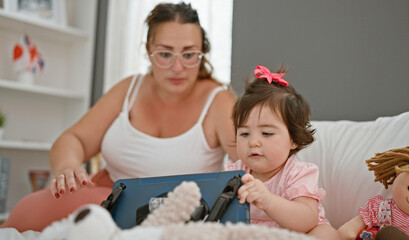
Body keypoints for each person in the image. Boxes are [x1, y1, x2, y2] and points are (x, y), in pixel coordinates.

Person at [1, 2, 237, 232]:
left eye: (189, 54)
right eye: (165, 54)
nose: (177, 67)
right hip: (103, 199)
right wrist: (68, 166)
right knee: (26, 211)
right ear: (148, 51)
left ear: (202, 53)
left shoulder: (219, 102)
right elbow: (75, 138)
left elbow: (252, 163)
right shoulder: (129, 89)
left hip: (175, 214)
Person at [225, 65, 340, 240]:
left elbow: (306, 221)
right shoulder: (235, 174)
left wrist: (267, 200)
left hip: (295, 235)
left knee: (327, 234)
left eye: (267, 133)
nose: (253, 142)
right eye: (244, 133)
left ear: (293, 139)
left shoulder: (298, 174)